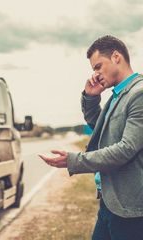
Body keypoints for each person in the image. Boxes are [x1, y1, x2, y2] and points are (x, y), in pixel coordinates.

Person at [39, 35, 143, 240]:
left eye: (98, 66)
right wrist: (91, 97)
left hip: (129, 208)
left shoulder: (138, 94)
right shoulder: (118, 95)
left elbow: (125, 149)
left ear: (116, 57)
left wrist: (73, 161)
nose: (95, 74)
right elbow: (100, 128)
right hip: (109, 201)